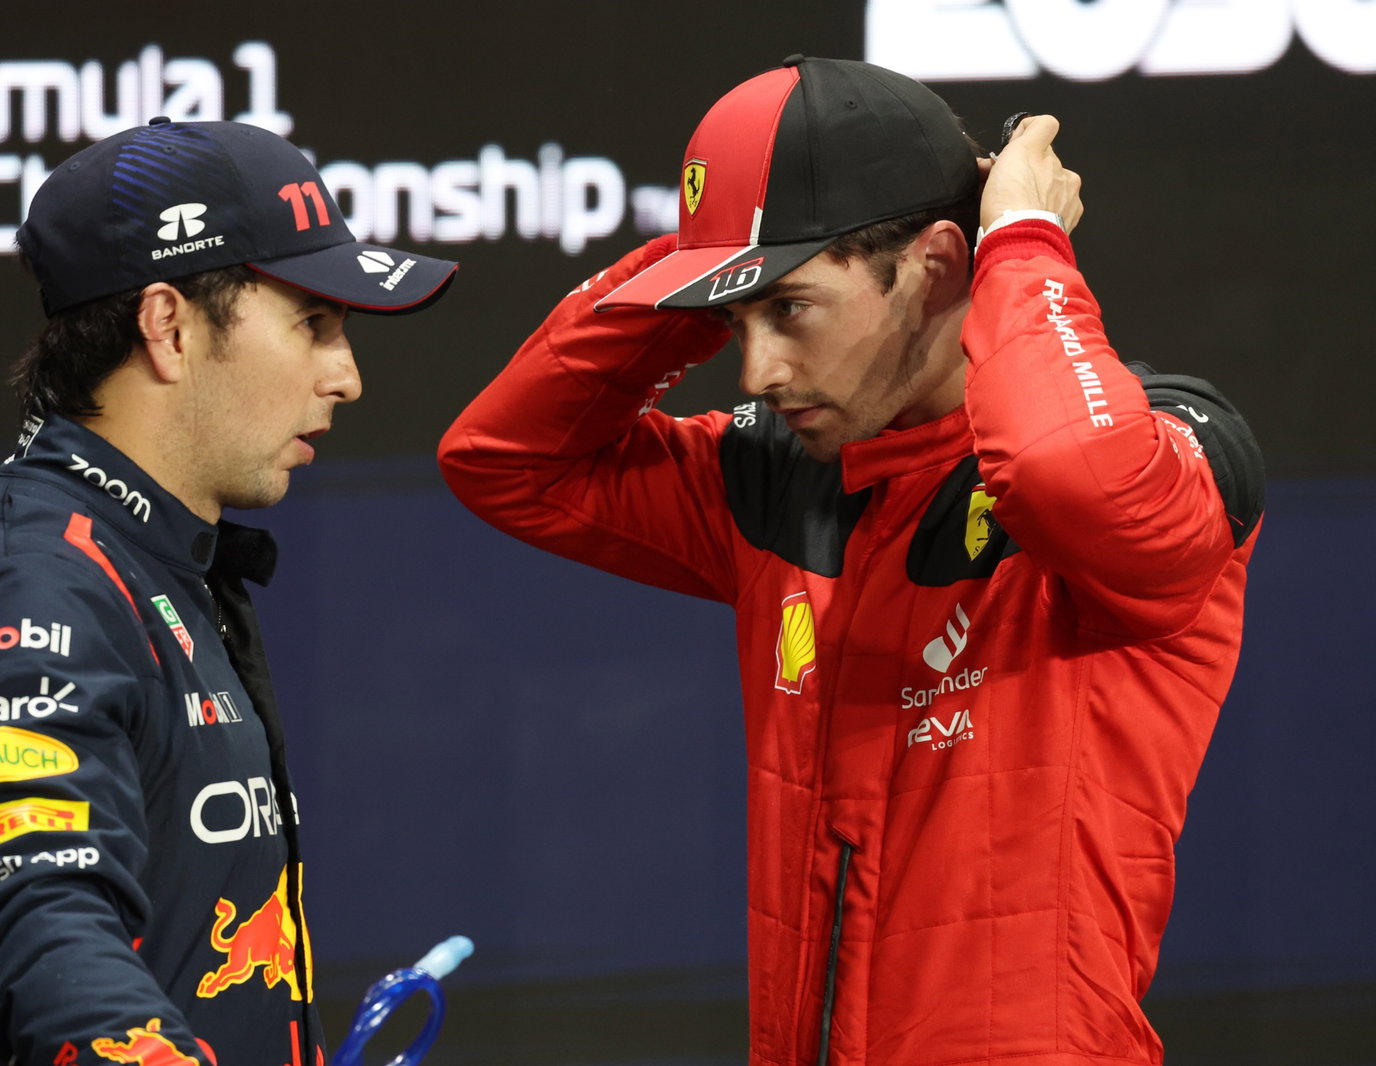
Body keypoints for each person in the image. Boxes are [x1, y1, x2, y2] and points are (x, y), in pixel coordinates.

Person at [438, 56, 1262, 1066]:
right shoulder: (774, 476)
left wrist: (1025, 243)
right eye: (732, 320)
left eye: (788, 309)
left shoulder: (1169, 451)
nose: (754, 371)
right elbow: (505, 462)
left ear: (940, 264)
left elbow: (1060, 465)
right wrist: (709, 263)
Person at [0, 116, 456, 1066]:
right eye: (315, 323)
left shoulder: (151, 559)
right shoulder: (30, 586)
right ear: (168, 327)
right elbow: (41, 931)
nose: (347, 376)